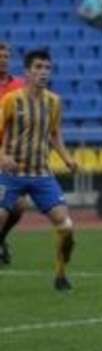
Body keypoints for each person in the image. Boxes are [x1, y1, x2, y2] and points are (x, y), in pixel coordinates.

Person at [0, 49, 78, 291]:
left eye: (47, 68)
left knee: (66, 227)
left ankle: (61, 276)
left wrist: (67, 159)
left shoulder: (54, 102)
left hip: (41, 175)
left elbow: (54, 134)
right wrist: (2, 156)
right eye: (38, 67)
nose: (43, 72)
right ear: (27, 71)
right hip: (11, 175)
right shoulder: (11, 100)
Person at [0, 43, 26, 266]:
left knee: (18, 206)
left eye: (6, 56)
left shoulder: (20, 86)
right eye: (0, 56)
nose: (3, 60)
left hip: (11, 156)